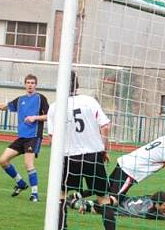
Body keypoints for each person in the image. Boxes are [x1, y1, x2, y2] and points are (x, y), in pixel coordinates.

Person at [47, 71, 115, 230]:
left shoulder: (55, 107)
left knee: (60, 196)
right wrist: (103, 148)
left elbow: (53, 137)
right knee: (103, 199)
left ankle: (61, 227)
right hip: (93, 155)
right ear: (77, 85)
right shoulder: (89, 101)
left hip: (68, 158)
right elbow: (105, 126)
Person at [0, 74, 49, 202]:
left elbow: (50, 116)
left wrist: (35, 117)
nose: (30, 85)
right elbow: (2, 107)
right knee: (3, 161)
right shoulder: (20, 99)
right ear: (24, 84)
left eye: (32, 83)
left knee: (28, 164)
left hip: (33, 137)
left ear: (36, 85)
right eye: (28, 82)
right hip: (21, 137)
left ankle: (35, 194)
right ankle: (20, 183)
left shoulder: (41, 98)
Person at [108, 126, 165, 203]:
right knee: (115, 199)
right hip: (130, 171)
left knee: (106, 190)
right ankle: (93, 207)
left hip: (124, 162)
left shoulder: (164, 139)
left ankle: (94, 204)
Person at [68, 190, 165, 222]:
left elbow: (160, 212)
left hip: (120, 199)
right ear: (157, 203)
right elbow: (156, 216)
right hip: (117, 208)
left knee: (99, 197)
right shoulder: (149, 212)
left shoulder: (150, 197)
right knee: (88, 207)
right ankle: (74, 202)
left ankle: (77, 197)